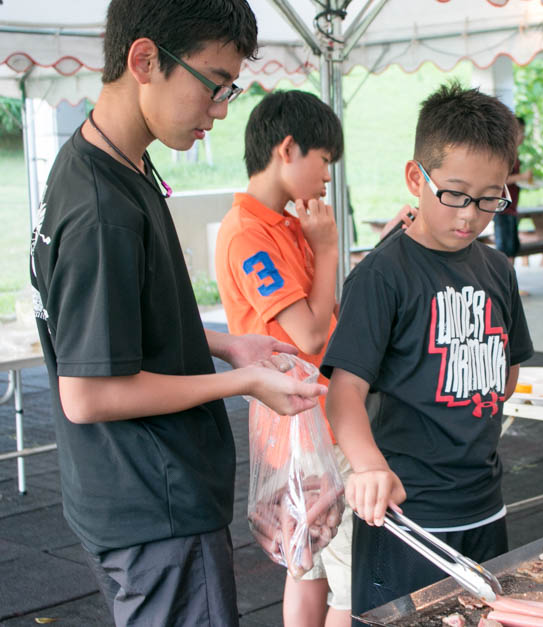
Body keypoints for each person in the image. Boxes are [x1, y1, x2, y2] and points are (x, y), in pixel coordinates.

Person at [28, 2, 327, 625]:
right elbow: (87, 392)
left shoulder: (110, 160)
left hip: (125, 493)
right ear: (144, 60)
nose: (220, 112)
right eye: (214, 86)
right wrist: (246, 382)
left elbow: (122, 327)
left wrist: (226, 345)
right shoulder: (101, 209)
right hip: (153, 505)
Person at [321, 82, 534, 618]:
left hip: (485, 503)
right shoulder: (382, 275)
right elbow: (343, 393)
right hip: (408, 512)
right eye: (456, 194)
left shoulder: (497, 269)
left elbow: (506, 374)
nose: (470, 215)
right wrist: (368, 466)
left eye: (491, 199)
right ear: (417, 177)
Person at [213, 90, 351, 627]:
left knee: (307, 562)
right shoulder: (249, 234)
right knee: (345, 573)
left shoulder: (285, 223)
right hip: (306, 425)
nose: (325, 179)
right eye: (324, 162)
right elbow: (312, 333)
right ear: (288, 149)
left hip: (304, 421)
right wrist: (330, 248)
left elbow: (325, 308)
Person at [493, 116, 532, 263]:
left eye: (523, 132)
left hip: (512, 207)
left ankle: (511, 283)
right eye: (519, 132)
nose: (522, 136)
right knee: (504, 252)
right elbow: (498, 180)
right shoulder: (503, 155)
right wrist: (521, 177)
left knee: (513, 249)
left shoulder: (515, 154)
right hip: (502, 207)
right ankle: (504, 285)